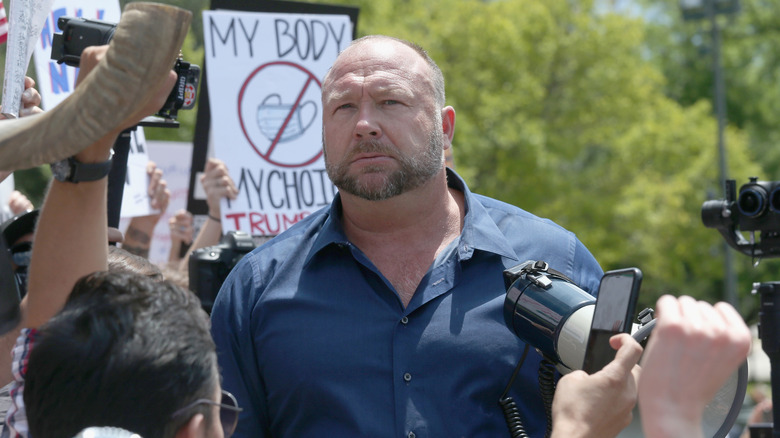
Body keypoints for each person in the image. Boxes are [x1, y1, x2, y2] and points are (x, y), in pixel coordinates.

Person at [210, 35, 611, 437]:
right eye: (344, 107)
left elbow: (612, 404)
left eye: (391, 102)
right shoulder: (255, 290)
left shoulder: (560, 260)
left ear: (445, 126)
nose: (364, 125)